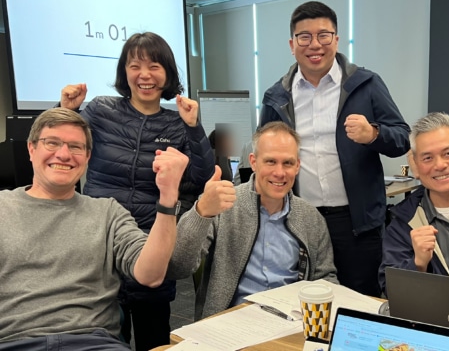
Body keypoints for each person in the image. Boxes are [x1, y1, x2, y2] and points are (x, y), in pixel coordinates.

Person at [60, 32, 215, 350]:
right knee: (99, 337)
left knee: (154, 338)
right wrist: (67, 110)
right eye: (135, 65)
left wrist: (194, 127)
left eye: (154, 66)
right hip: (99, 247)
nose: (145, 74)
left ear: (168, 73)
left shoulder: (177, 123)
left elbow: (201, 178)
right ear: (124, 71)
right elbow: (63, 148)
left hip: (153, 244)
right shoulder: (101, 111)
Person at [0, 107, 188, 350]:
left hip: (93, 343)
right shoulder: (3, 209)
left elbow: (150, 275)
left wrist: (168, 196)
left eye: (76, 147)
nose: (64, 154)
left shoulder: (108, 213)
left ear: (88, 156)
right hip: (14, 342)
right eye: (52, 143)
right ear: (31, 148)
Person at [259, 1, 410, 297]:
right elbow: (264, 152)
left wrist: (373, 134)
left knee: (360, 300)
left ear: (336, 40)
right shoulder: (277, 96)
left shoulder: (366, 84)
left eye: (323, 35)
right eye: (305, 37)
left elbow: (402, 138)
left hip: (358, 224)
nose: (314, 44)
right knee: (305, 300)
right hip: (300, 220)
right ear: (292, 45)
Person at [167, 121, 339, 320]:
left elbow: (326, 279)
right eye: (270, 162)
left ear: (298, 166)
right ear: (254, 162)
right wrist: (201, 212)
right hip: (231, 324)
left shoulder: (311, 218)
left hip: (291, 324)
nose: (280, 172)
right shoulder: (223, 205)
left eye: (288, 163)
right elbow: (178, 266)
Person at [379, 112, 449, 294]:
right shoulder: (404, 222)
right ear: (416, 165)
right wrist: (417, 264)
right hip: (434, 321)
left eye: (448, 153)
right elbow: (391, 291)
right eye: (427, 158)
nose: (440, 165)